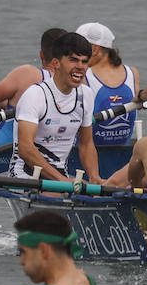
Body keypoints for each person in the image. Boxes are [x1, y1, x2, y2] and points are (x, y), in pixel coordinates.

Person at [8, 31, 102, 182]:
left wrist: (94, 176)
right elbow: (25, 149)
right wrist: (62, 181)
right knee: (58, 194)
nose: (80, 67)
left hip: (59, 175)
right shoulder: (35, 95)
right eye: (73, 60)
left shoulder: (86, 95)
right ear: (55, 63)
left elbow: (86, 144)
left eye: (84, 62)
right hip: (24, 174)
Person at [77, 22, 140, 147]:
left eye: (78, 48)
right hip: (120, 157)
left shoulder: (82, 76)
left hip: (85, 158)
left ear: (95, 49)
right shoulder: (133, 72)